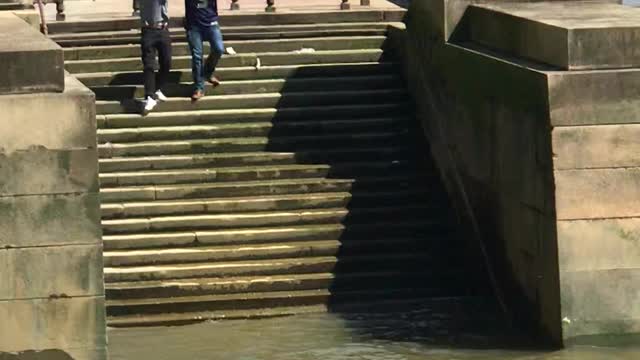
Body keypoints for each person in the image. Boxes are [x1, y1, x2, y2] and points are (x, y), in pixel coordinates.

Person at [184, 0, 224, 101]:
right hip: (194, 26)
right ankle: (199, 87)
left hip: (211, 23)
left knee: (219, 49)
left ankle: (208, 72)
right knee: (197, 56)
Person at [139, 0, 172, 114]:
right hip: (148, 30)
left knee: (166, 62)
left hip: (163, 30)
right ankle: (149, 96)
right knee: (149, 64)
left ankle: (156, 88)